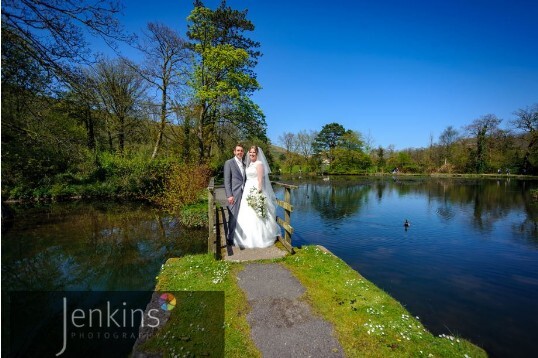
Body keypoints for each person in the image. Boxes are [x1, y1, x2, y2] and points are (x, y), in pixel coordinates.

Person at [233, 146, 280, 248]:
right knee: (246, 213)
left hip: (255, 190)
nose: (251, 154)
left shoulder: (259, 164)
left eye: (253, 152)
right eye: (250, 152)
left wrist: (258, 193)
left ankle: (259, 238)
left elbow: (260, 180)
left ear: (257, 153)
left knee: (256, 214)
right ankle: (245, 238)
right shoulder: (250, 164)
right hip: (247, 190)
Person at [223, 144, 246, 246]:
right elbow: (227, 180)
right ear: (234, 152)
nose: (239, 152)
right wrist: (229, 195)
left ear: (243, 152)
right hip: (234, 194)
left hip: (244, 194)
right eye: (238, 150)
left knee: (243, 215)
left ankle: (240, 236)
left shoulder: (244, 164)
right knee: (233, 216)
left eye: (241, 151)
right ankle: (230, 238)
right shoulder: (229, 163)